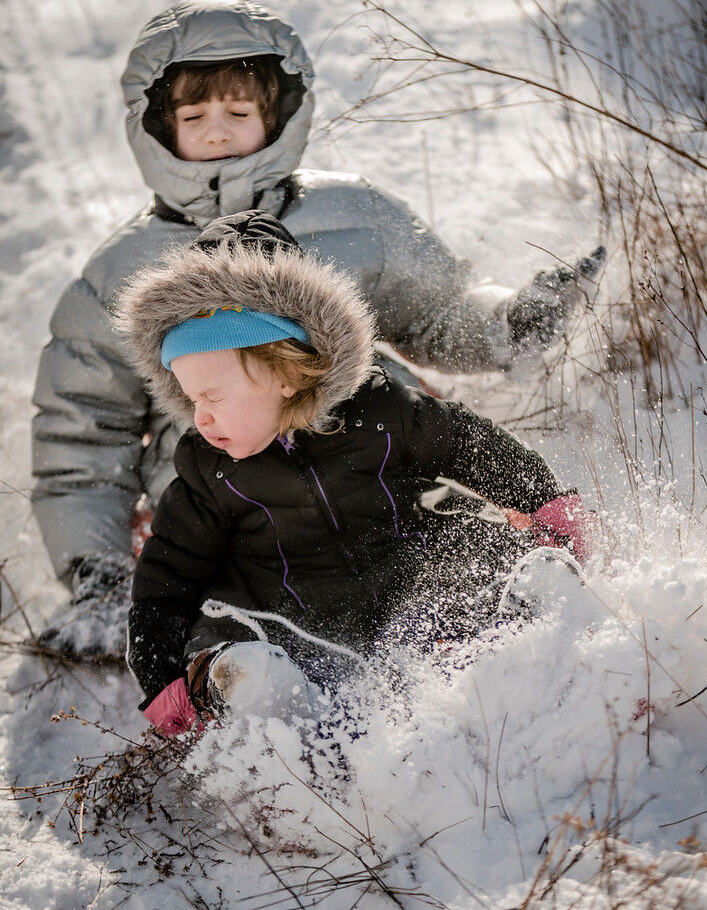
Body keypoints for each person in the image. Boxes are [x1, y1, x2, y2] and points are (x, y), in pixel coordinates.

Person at [32, 0, 604, 659]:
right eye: (194, 115)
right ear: (157, 127)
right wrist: (95, 572)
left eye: (238, 112)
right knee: (230, 583)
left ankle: (494, 605)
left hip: (359, 454)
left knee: (414, 465)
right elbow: (80, 432)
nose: (217, 131)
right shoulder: (118, 272)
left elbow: (436, 311)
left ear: (278, 114)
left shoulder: (351, 213)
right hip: (231, 497)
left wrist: (507, 322)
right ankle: (240, 669)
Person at [115, 210, 595, 736]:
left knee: (476, 566)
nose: (198, 415)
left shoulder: (379, 411)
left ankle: (540, 625)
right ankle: (256, 696)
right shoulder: (209, 470)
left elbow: (470, 445)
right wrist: (160, 675)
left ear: (288, 374)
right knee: (257, 657)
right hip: (302, 629)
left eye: (213, 396)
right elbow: (167, 579)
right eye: (188, 397)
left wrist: (545, 504)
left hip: (415, 579)